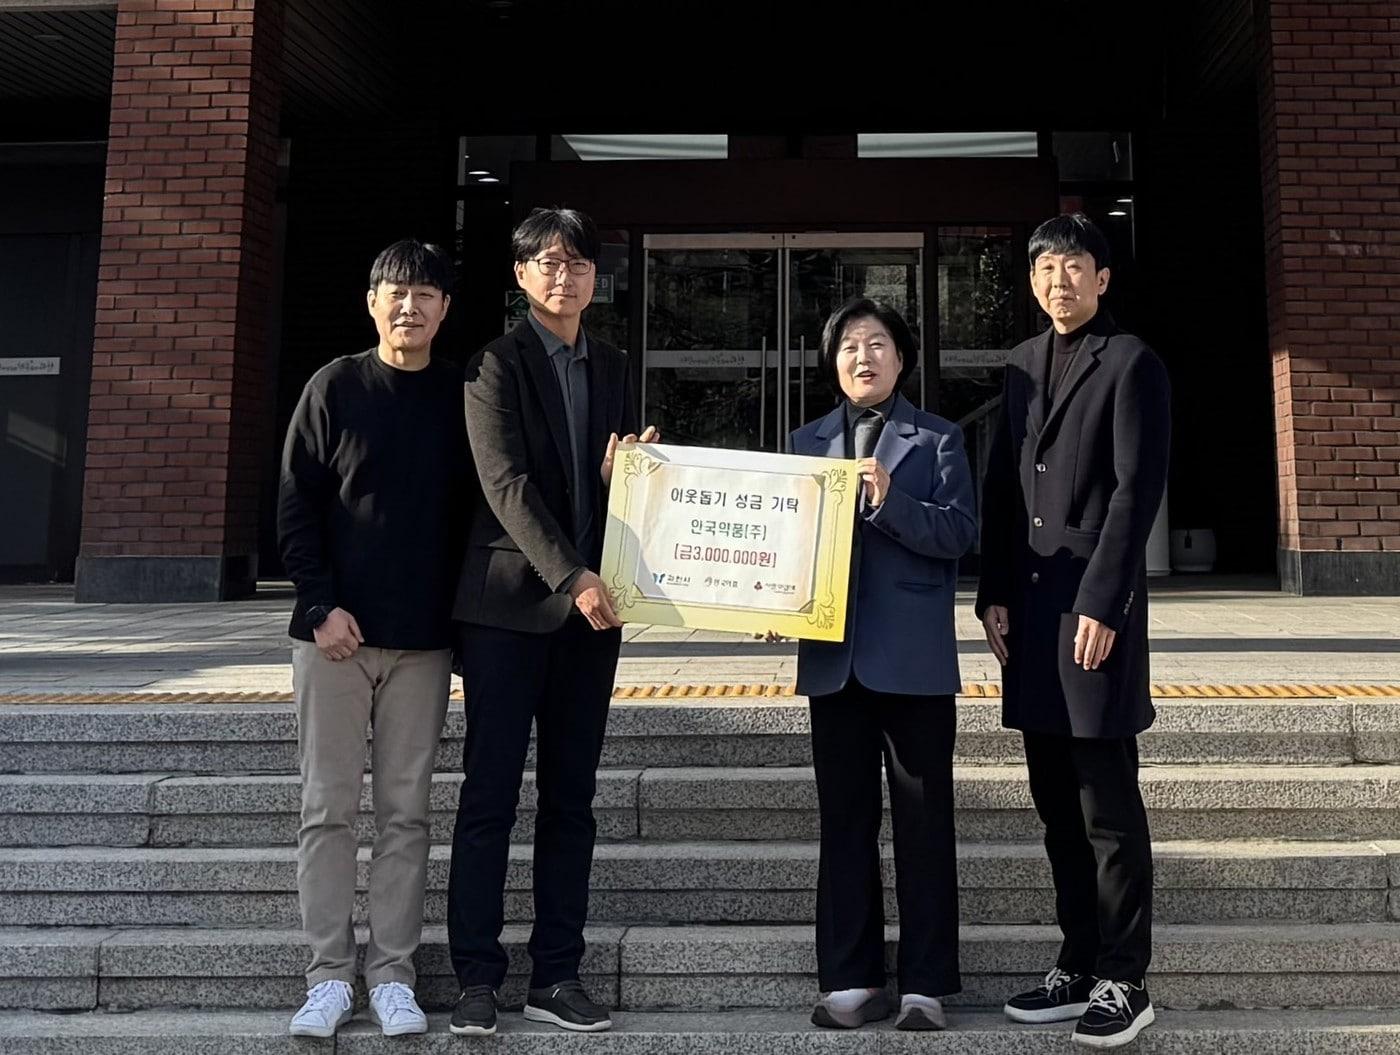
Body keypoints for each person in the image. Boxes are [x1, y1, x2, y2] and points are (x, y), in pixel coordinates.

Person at [446, 207, 657, 1036]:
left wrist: (623, 477)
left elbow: (607, 488)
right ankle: (475, 976)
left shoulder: (613, 364)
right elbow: (505, 486)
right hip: (507, 610)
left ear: (596, 278)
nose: (563, 276)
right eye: (547, 262)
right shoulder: (492, 364)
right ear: (521, 275)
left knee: (572, 799)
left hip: (590, 619)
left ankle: (557, 973)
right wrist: (572, 576)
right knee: (489, 795)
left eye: (577, 263)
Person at [976, 213, 1170, 1049]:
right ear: (1032, 280)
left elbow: (1135, 490)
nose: (1059, 280)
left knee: (1105, 804)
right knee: (1054, 801)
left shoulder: (1131, 362)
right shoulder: (1021, 363)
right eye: (1046, 268)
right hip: (1031, 610)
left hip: (1094, 614)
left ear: (1103, 277)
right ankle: (1078, 959)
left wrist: (1104, 600)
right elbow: (1001, 485)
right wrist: (991, 589)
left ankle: (1126, 976)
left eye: (1075, 266)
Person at [277, 239, 468, 1038]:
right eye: (396, 291)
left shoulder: (462, 394)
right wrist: (321, 606)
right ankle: (327, 975)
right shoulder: (334, 386)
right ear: (372, 301)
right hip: (333, 639)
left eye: (425, 293)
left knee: (406, 814)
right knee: (328, 808)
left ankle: (393, 974)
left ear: (444, 309)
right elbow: (295, 503)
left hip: (422, 642)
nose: (409, 305)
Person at [787, 297, 976, 1032]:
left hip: (913, 662)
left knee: (924, 823)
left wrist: (891, 502)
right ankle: (851, 977)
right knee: (844, 822)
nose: (862, 357)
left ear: (901, 358)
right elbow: (786, 543)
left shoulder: (937, 439)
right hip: (833, 662)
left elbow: (958, 533)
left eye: (876, 344)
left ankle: (926, 983)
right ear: (831, 362)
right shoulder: (804, 442)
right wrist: (773, 603)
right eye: (848, 347)